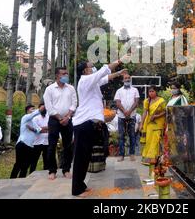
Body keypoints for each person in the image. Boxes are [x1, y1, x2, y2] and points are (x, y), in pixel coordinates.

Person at [72, 59, 126, 197]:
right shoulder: (85, 81)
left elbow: (105, 77)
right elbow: (104, 71)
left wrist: (119, 72)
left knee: (85, 157)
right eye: (90, 65)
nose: (93, 67)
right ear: (86, 70)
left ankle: (81, 185)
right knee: (80, 158)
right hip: (83, 124)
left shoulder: (92, 82)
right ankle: (76, 189)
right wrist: (119, 61)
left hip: (89, 124)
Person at [43, 67, 77, 180]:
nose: (66, 76)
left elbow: (74, 103)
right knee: (52, 146)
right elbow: (49, 107)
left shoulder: (71, 88)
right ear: (57, 75)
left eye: (67, 73)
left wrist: (67, 117)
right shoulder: (50, 89)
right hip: (54, 120)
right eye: (63, 74)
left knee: (68, 146)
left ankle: (66, 169)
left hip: (68, 120)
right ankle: (52, 170)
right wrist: (59, 118)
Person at [10, 104, 46, 178]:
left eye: (34, 108)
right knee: (18, 163)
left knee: (26, 164)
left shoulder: (33, 121)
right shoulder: (25, 117)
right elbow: (33, 114)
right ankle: (12, 179)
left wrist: (33, 129)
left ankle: (21, 179)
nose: (33, 110)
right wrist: (40, 110)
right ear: (27, 111)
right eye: (31, 109)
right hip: (22, 144)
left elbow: (39, 130)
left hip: (30, 145)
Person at [114, 74, 140, 162]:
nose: (127, 79)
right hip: (121, 116)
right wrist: (125, 111)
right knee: (121, 136)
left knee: (132, 135)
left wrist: (129, 112)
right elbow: (117, 103)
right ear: (123, 80)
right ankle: (121, 155)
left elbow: (136, 102)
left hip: (132, 116)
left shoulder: (135, 90)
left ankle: (132, 154)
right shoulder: (119, 91)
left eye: (129, 78)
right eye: (126, 78)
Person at [140, 86, 166, 165]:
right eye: (149, 92)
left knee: (156, 140)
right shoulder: (147, 101)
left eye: (152, 91)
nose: (151, 93)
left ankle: (155, 158)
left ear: (156, 92)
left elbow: (165, 111)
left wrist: (156, 116)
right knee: (149, 141)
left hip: (159, 123)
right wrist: (141, 123)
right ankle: (149, 157)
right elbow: (145, 113)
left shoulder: (161, 101)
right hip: (149, 124)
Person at [30, 103, 49, 173]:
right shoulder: (35, 118)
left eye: (45, 108)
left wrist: (40, 129)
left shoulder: (49, 118)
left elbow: (51, 128)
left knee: (46, 160)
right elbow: (36, 129)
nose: (44, 110)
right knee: (34, 160)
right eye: (42, 108)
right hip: (37, 142)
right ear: (39, 109)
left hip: (47, 142)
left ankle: (45, 173)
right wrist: (45, 129)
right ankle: (31, 173)